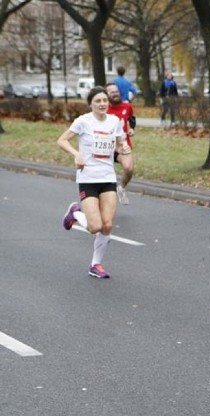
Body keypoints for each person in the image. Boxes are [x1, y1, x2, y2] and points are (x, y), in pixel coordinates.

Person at [57, 86, 129, 279]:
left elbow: (121, 142)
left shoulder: (114, 122)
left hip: (107, 178)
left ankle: (95, 264)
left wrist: (124, 148)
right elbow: (62, 140)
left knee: (107, 225)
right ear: (91, 104)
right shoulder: (83, 121)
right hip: (88, 178)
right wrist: (76, 154)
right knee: (94, 227)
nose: (102, 104)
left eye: (105, 100)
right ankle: (74, 212)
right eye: (98, 101)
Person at [105, 82, 135, 205]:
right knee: (106, 176)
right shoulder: (104, 108)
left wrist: (132, 129)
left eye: (116, 91)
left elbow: (132, 119)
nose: (115, 94)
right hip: (106, 147)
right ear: (107, 95)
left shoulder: (127, 106)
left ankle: (121, 187)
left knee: (129, 168)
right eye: (112, 92)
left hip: (123, 145)